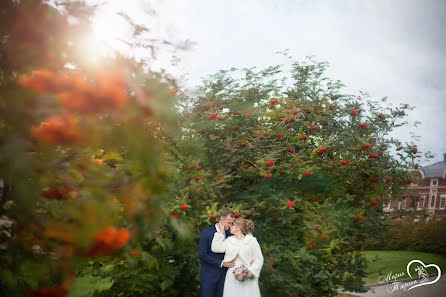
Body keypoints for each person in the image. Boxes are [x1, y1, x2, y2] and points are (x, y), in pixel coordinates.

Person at [211, 217, 264, 297]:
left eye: (233, 225)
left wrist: (250, 272)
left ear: (239, 227)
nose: (230, 227)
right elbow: (216, 248)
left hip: (247, 274)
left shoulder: (251, 241)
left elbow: (259, 259)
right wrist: (221, 232)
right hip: (232, 276)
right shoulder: (229, 240)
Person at [199, 210, 236, 297]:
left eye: (232, 223)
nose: (231, 226)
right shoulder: (206, 232)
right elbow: (202, 255)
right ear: (222, 220)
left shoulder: (230, 235)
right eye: (229, 223)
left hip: (225, 277)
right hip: (209, 275)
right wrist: (221, 263)